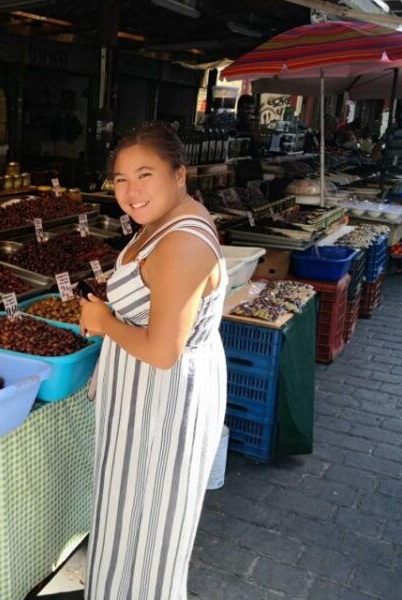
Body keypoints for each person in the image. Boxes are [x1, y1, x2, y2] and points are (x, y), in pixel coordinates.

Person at [80, 122, 227, 599]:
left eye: (145, 175)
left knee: (149, 535)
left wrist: (105, 322)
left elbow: (164, 352)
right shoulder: (163, 221)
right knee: (126, 524)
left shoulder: (182, 241)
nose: (131, 191)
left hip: (163, 405)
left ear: (179, 174)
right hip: (142, 399)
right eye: (120, 179)